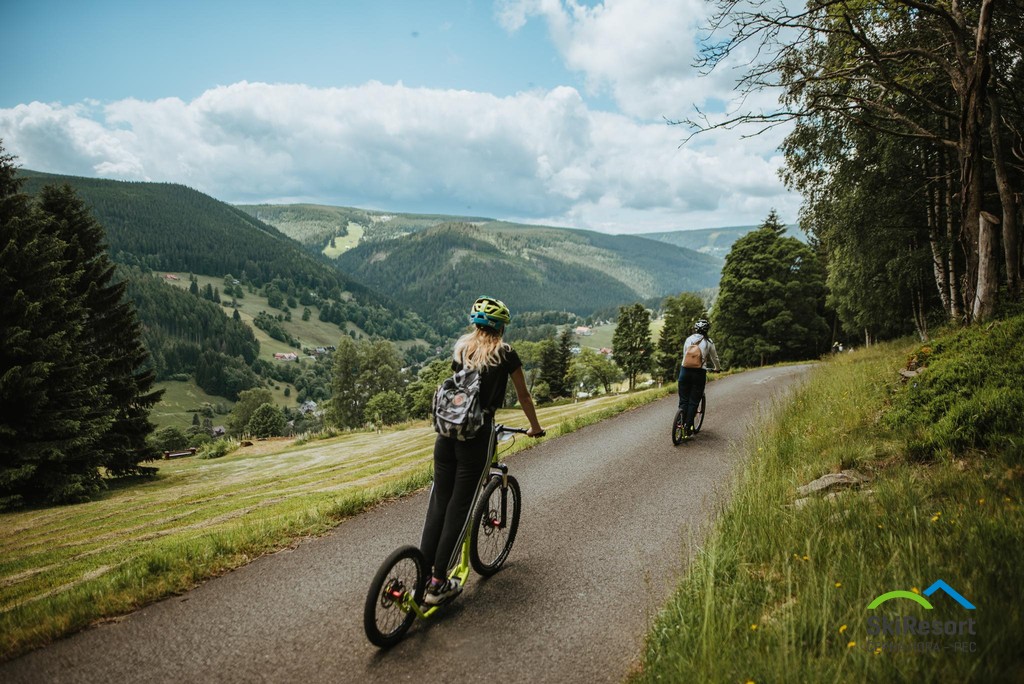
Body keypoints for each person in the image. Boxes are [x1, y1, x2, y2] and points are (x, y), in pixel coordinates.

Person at [420, 296, 545, 605]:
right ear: (501, 328)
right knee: (460, 508)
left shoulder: (462, 347)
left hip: (446, 435)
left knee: (439, 503)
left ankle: (422, 573)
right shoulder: (505, 353)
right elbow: (524, 396)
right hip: (477, 436)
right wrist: (535, 427)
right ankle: (438, 583)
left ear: (475, 324)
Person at [677, 318, 721, 436]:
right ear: (707, 330)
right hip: (699, 373)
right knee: (693, 401)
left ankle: (680, 422)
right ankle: (688, 427)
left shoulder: (688, 339)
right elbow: (715, 358)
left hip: (684, 371)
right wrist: (717, 368)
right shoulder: (709, 342)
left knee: (683, 400)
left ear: (696, 329)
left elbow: (685, 355)